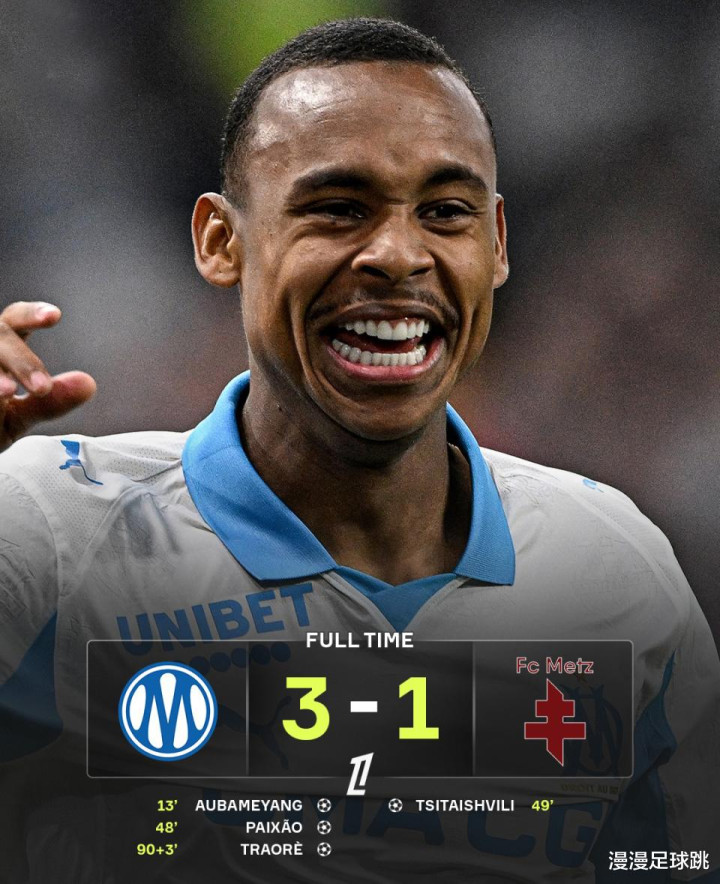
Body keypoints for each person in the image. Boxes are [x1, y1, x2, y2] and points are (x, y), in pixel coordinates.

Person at [0, 17, 718, 883]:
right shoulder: (48, 534)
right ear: (221, 242)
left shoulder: (617, 569)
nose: (398, 256)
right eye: (338, 209)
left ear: (496, 244)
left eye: (445, 212)